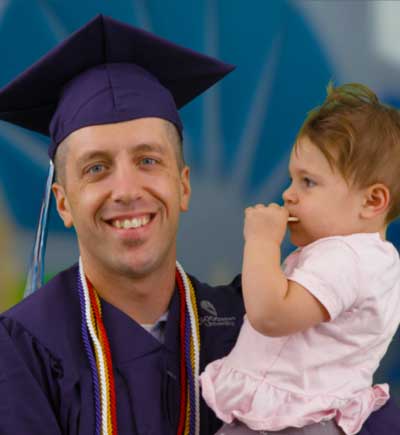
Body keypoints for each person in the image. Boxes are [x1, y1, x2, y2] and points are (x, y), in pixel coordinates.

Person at [0, 16, 398, 435]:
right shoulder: (24, 348)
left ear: (183, 185)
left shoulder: (255, 319)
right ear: (63, 203)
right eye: (96, 168)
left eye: (148, 160)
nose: (126, 189)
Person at [200, 83, 400, 435]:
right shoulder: (373, 260)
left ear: (372, 202)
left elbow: (270, 315)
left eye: (308, 182)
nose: (288, 195)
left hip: (292, 426)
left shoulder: (347, 257)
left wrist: (261, 241)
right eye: (293, 179)